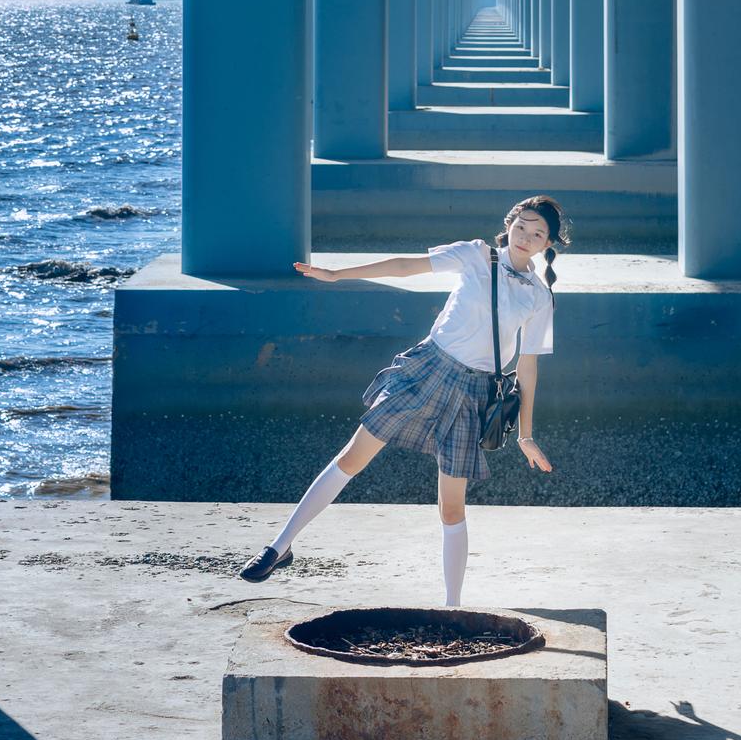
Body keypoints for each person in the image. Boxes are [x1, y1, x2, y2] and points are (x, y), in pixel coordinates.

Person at [237, 198, 570, 606]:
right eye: (523, 226)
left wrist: (526, 435)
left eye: (537, 234)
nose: (526, 237)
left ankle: (452, 607)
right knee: (352, 457)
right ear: (511, 222)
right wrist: (337, 274)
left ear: (548, 243)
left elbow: (528, 367)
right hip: (428, 369)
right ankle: (279, 546)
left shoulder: (539, 295)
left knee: (451, 506)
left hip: (473, 393)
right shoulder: (475, 255)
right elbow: (404, 265)